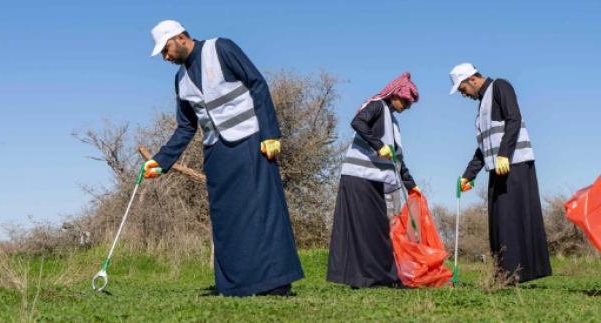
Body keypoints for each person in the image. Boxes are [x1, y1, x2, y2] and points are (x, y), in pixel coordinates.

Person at [144, 20, 304, 297]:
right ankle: (233, 285)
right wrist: (161, 161)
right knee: (225, 219)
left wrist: (270, 134)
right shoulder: (179, 79)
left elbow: (257, 84)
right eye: (162, 54)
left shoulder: (221, 48)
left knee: (262, 211)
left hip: (252, 141)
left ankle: (276, 283)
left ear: (181, 37)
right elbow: (186, 126)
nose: (166, 57)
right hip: (216, 151)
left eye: (166, 49)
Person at [449, 63, 552, 284]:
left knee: (511, 219)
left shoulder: (500, 87)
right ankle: (504, 274)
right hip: (499, 167)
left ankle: (514, 274)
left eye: (462, 89)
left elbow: (514, 118)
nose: (463, 95)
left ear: (472, 79)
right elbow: (485, 146)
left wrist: (505, 154)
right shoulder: (482, 106)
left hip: (514, 164)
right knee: (499, 221)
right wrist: (469, 174)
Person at [327, 72, 422, 289]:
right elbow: (357, 122)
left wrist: (410, 184)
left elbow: (396, 156)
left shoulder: (392, 120)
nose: (407, 107)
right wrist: (378, 146)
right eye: (406, 102)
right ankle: (373, 279)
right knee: (369, 229)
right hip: (358, 176)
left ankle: (375, 278)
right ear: (396, 95)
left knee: (376, 228)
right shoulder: (377, 106)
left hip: (371, 179)